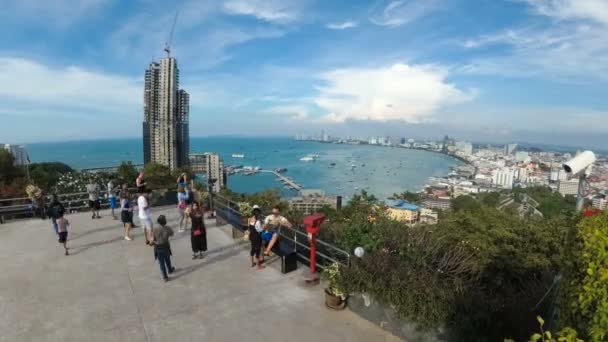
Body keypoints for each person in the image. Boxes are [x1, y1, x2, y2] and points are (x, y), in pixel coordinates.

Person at [152, 215, 175, 282]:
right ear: (165, 221)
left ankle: (165, 277)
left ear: (158, 221)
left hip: (158, 247)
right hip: (165, 246)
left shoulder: (155, 229)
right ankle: (170, 269)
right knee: (167, 259)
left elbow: (152, 239)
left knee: (161, 263)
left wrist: (152, 241)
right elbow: (172, 234)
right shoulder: (168, 228)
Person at [247, 205, 264, 269]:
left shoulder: (250, 219)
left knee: (253, 249)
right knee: (258, 250)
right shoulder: (258, 221)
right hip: (257, 237)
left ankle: (252, 263)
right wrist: (263, 227)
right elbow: (260, 230)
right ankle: (258, 266)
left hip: (251, 236)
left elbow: (249, 227)